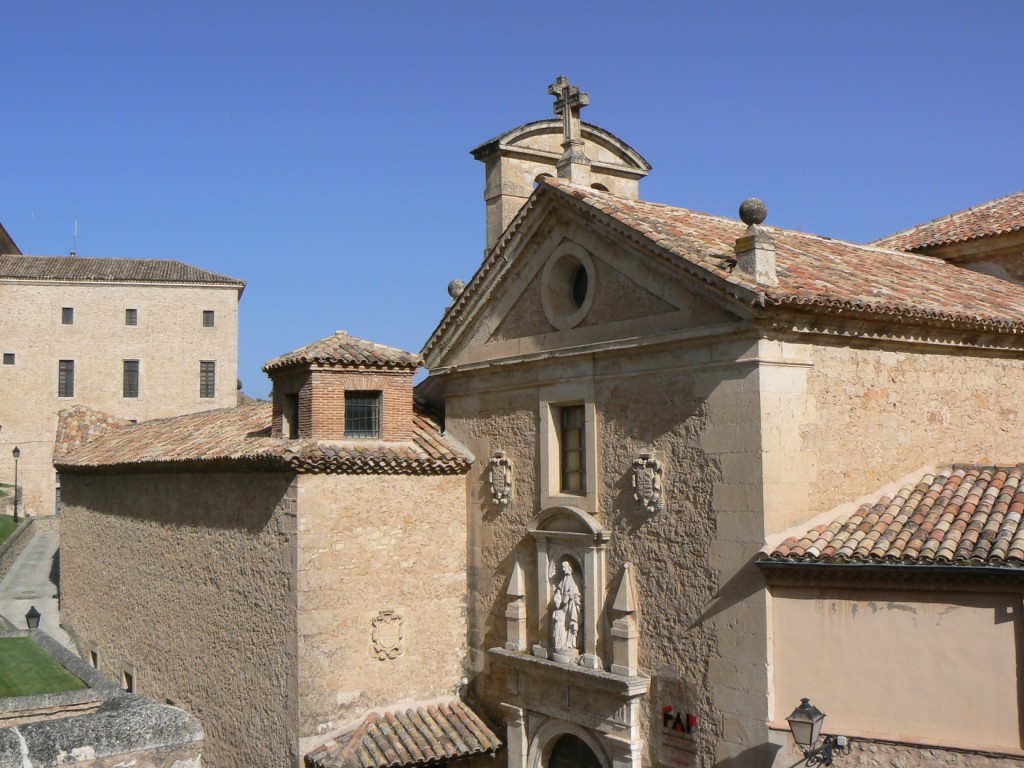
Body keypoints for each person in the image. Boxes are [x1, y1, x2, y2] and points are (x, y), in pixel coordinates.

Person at [552, 559, 582, 651]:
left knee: (572, 624)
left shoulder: (576, 577)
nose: (564, 570)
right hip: (565, 606)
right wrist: (557, 598)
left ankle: (572, 643)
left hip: (572, 605)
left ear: (570, 567)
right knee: (563, 624)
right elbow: (559, 590)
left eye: (564, 568)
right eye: (563, 568)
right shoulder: (565, 578)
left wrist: (569, 597)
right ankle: (563, 642)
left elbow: (577, 592)